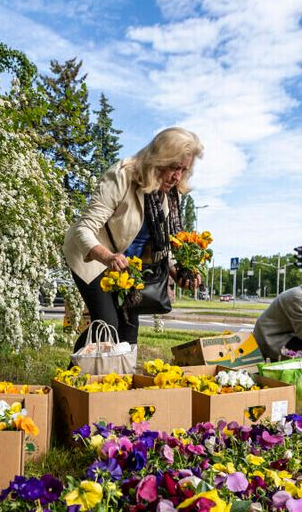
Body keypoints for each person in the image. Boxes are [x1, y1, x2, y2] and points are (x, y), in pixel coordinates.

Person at [63, 127, 203, 351]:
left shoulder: (165, 194)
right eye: (174, 167)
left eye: (184, 170)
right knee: (107, 326)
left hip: (129, 269)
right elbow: (84, 229)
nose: (178, 177)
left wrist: (178, 273)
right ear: (159, 159)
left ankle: (120, 381)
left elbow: (161, 244)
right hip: (94, 259)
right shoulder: (121, 176)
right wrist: (108, 257)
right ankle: (71, 380)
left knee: (128, 330)